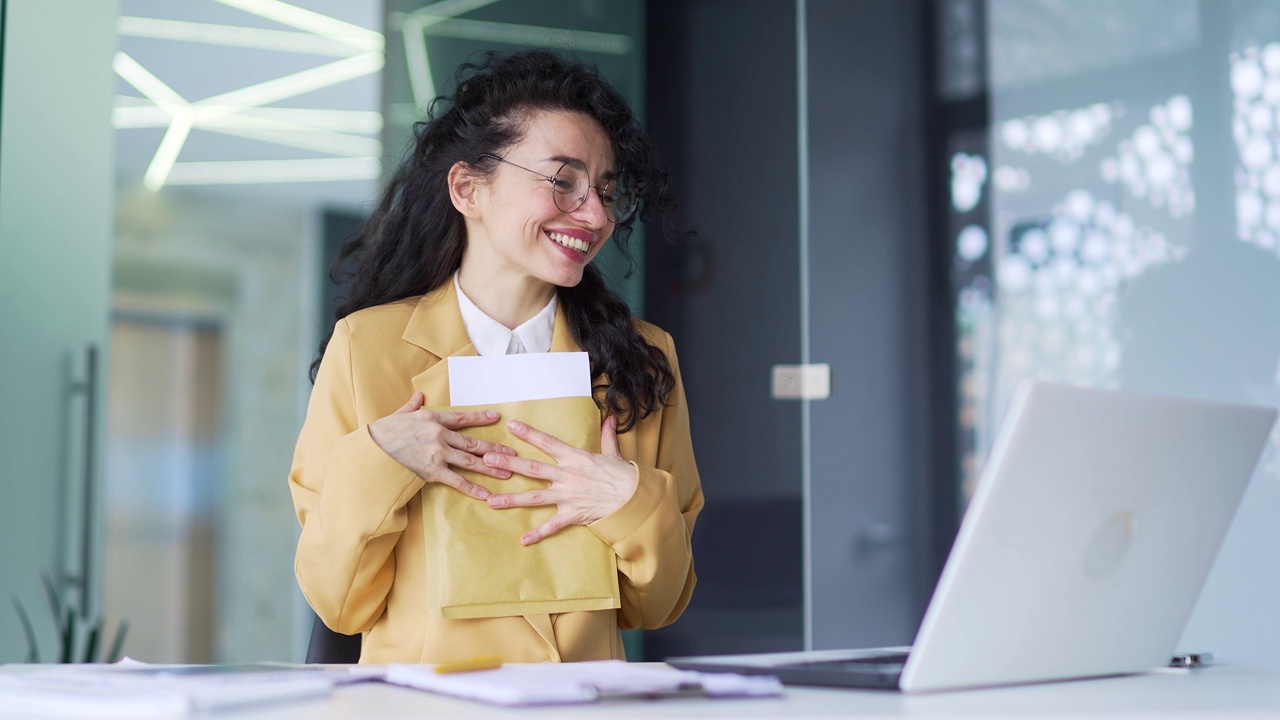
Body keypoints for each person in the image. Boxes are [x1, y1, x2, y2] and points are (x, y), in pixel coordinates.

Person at [287, 49, 703, 664]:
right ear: (467, 188)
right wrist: (384, 460)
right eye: (562, 182)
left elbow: (658, 605)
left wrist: (630, 500)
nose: (594, 214)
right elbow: (338, 603)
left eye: (604, 190)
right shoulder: (366, 350)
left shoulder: (640, 358)